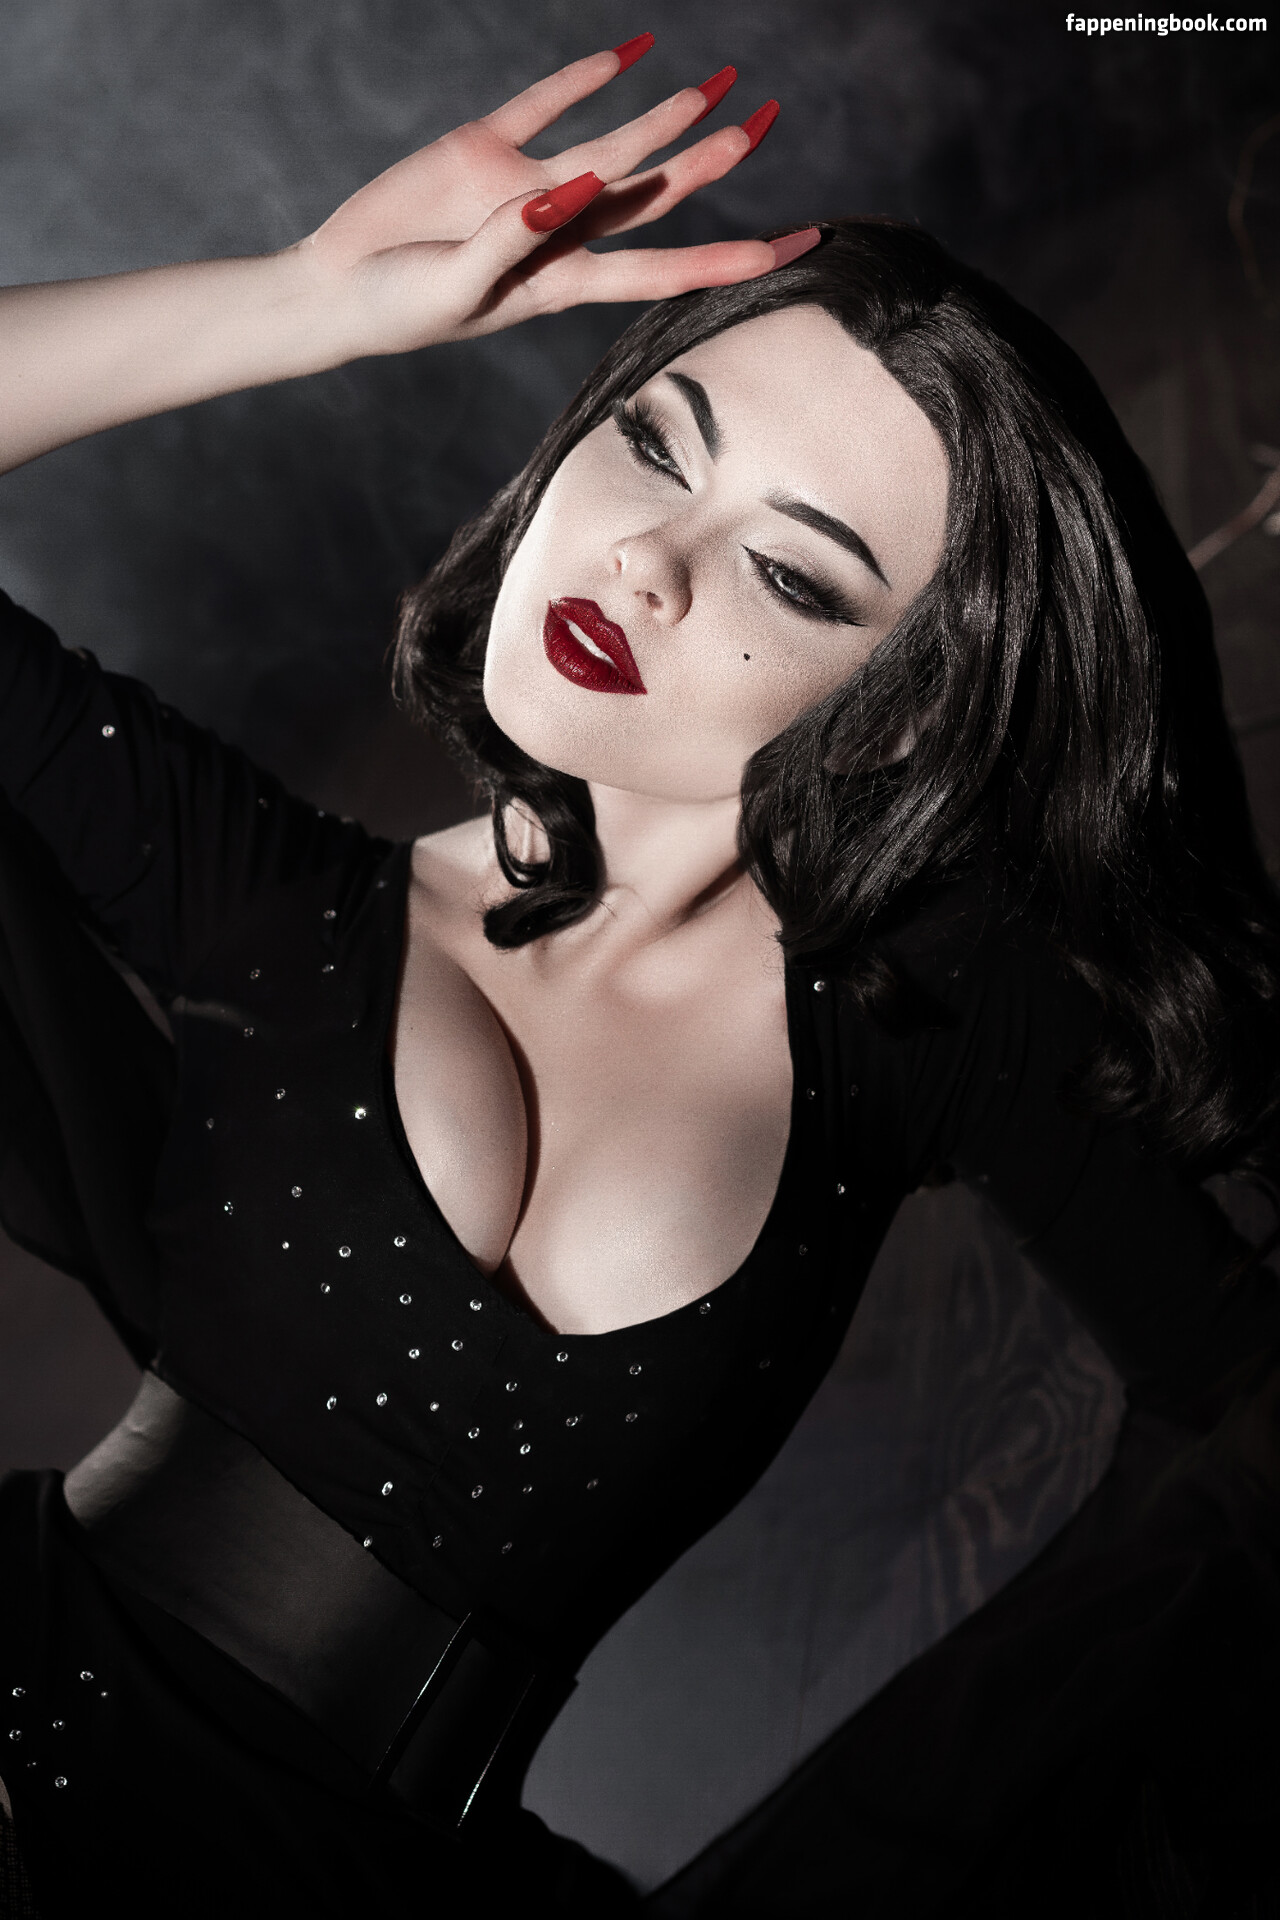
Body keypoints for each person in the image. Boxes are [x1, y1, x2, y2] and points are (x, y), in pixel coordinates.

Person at [0, 34, 1277, 1920]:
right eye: (657, 446)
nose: (653, 564)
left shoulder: (925, 1020)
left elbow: (1244, 1411)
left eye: (796, 577)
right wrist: (308, 300)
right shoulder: (263, 896)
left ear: (903, 709)